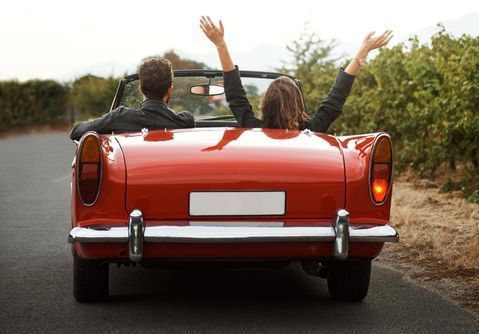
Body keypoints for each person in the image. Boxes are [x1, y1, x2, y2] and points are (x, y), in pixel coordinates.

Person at [199, 16, 393, 132]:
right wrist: (362, 52)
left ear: (266, 105)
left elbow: (235, 96)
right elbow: (335, 99)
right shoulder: (312, 130)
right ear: (298, 104)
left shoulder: (253, 128)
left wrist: (220, 44)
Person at [70, 57, 194, 141]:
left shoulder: (120, 117)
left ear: (140, 88)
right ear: (170, 89)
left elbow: (76, 131)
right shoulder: (184, 121)